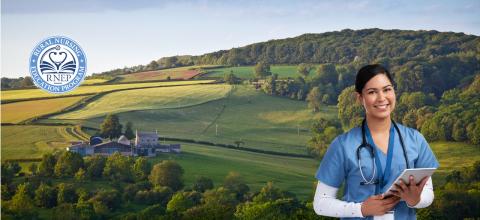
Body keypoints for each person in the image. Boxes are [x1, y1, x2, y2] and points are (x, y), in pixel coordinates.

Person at [313, 64, 439, 219]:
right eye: (372, 92)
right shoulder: (343, 145)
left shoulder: (415, 139)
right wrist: (361, 209)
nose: (382, 98)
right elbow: (320, 203)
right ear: (360, 98)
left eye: (387, 89)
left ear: (394, 91)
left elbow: (428, 193)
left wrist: (416, 200)